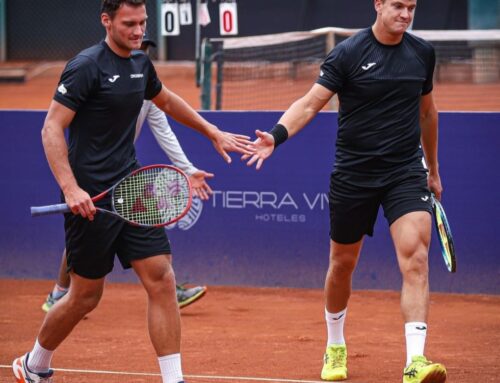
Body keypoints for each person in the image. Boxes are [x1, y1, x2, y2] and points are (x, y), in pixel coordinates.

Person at [12, 1, 253, 383]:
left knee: (161, 277)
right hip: (90, 199)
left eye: (142, 22)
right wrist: (70, 187)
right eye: (129, 23)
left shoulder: (142, 64)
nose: (138, 31)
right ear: (106, 21)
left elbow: (167, 101)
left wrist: (211, 131)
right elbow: (51, 128)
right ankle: (34, 363)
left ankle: (173, 379)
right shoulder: (86, 66)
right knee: (84, 297)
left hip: (133, 188)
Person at [244, 0, 447, 382]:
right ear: (379, 4)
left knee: (416, 258)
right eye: (398, 6)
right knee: (342, 264)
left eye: (412, 7)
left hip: (404, 172)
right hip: (354, 174)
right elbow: (309, 104)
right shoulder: (349, 53)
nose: (405, 14)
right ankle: (335, 345)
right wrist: (275, 136)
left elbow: (427, 112)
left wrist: (432, 169)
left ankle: (415, 361)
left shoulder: (422, 53)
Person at [41, 38, 208, 314]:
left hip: (125, 172)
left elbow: (164, 131)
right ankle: (60, 292)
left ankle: (167, 285)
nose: (138, 54)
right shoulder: (95, 75)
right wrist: (71, 187)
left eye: (143, 51)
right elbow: (54, 126)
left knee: (148, 225)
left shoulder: (146, 90)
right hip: (90, 174)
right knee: (86, 239)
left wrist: (188, 169)